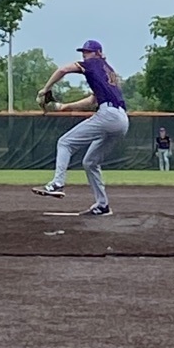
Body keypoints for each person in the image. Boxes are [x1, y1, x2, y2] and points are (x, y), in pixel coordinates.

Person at [32, 40, 129, 216]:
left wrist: (45, 89)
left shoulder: (93, 63)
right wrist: (64, 107)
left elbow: (63, 70)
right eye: (84, 52)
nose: (85, 55)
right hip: (121, 120)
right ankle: (102, 205)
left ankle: (57, 183)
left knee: (65, 143)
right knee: (90, 162)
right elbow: (92, 101)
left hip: (108, 115)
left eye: (88, 52)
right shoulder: (109, 72)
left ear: (99, 53)